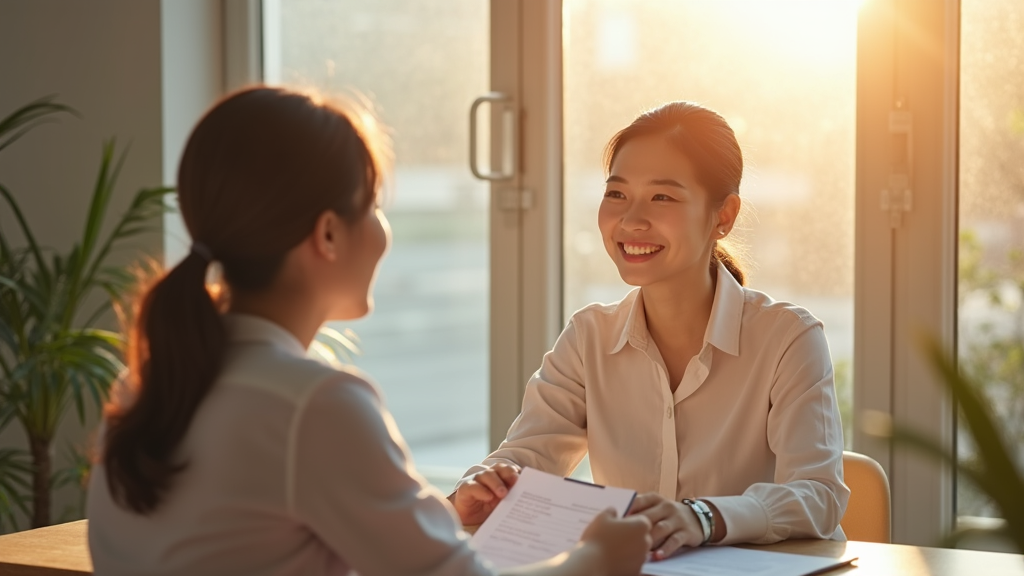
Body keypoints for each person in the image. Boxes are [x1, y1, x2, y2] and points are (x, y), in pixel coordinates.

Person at [86, 87, 651, 576]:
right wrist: (596, 559)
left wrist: (444, 516)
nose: (384, 232)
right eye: (374, 206)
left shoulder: (150, 386)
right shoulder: (315, 405)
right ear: (328, 234)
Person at [449, 102, 850, 560]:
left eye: (662, 197)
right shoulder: (588, 337)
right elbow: (528, 456)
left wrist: (702, 518)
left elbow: (818, 495)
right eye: (616, 194)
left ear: (724, 216)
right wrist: (488, 481)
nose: (631, 220)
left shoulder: (787, 338)